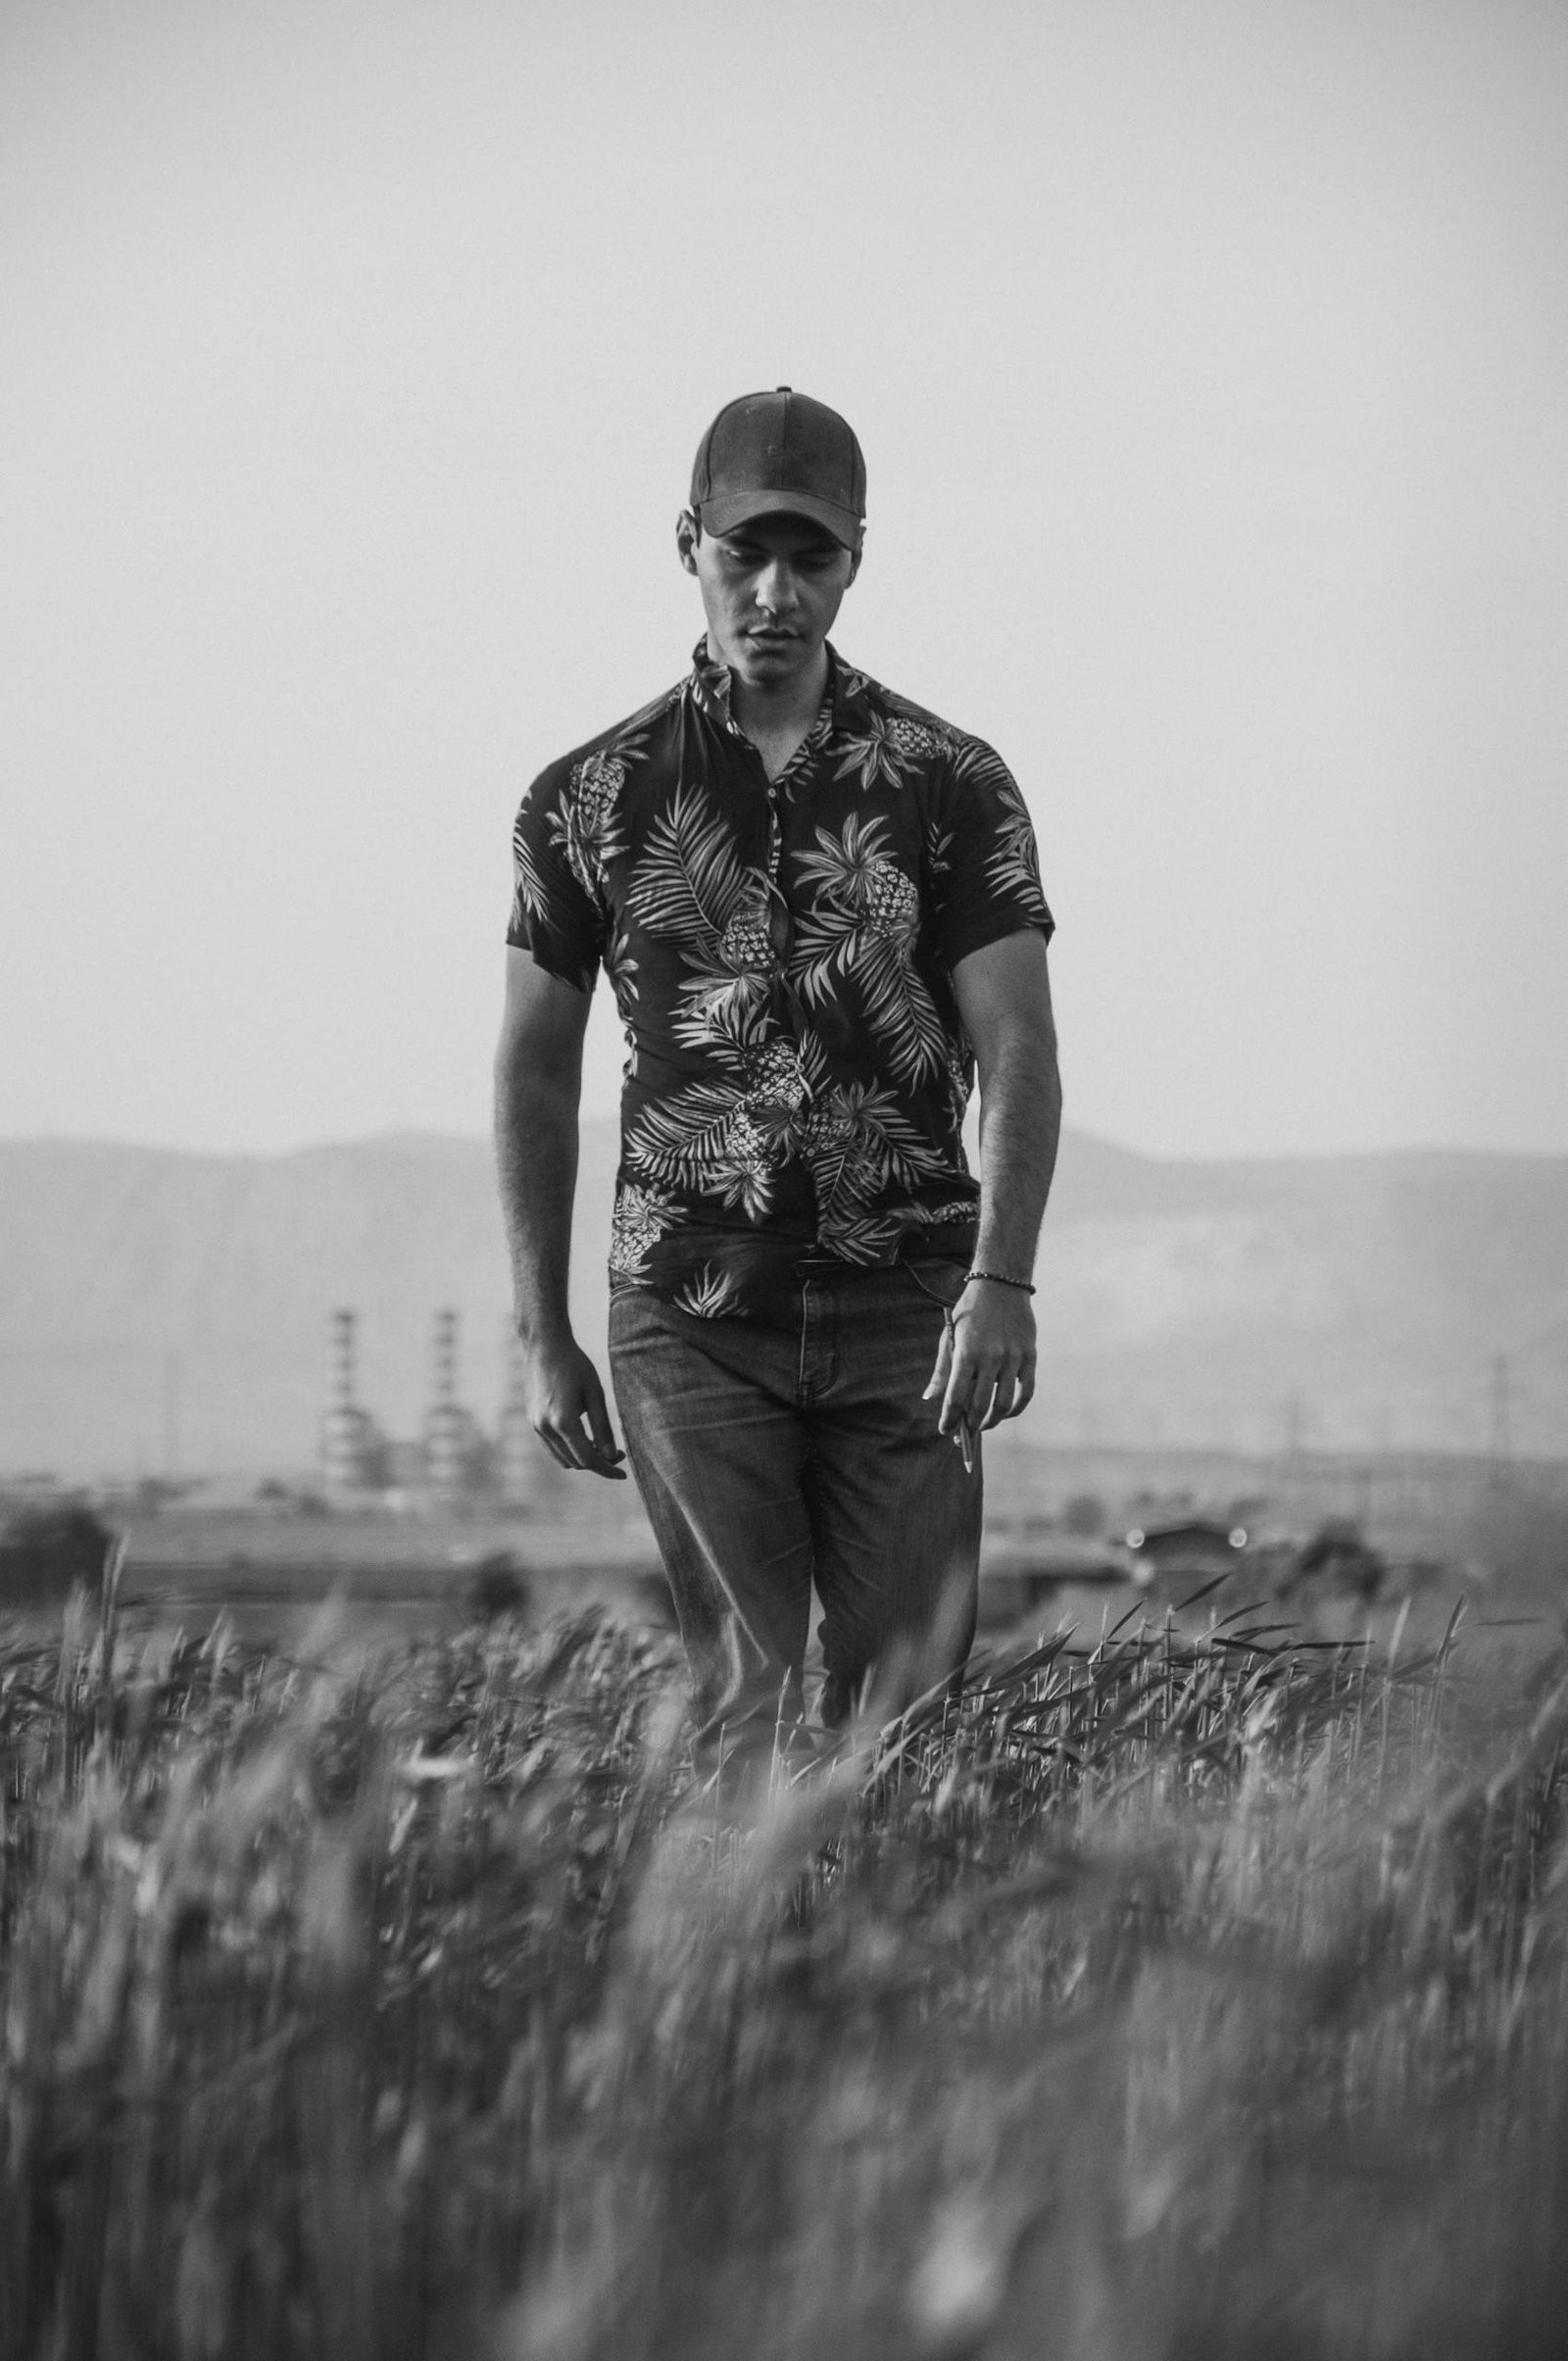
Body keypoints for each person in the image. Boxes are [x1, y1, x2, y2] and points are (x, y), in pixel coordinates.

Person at [495, 387, 1060, 1760]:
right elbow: (532, 1066)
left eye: (809, 558)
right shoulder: (588, 795)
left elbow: (1020, 1048)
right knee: (739, 1707)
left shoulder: (949, 781)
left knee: (907, 1717)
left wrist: (1000, 1280)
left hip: (909, 1316)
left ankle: (879, 1963)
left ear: (856, 555)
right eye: (745, 553)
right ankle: (734, 1968)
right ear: (686, 542)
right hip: (689, 1312)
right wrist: (538, 1329)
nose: (773, 591)